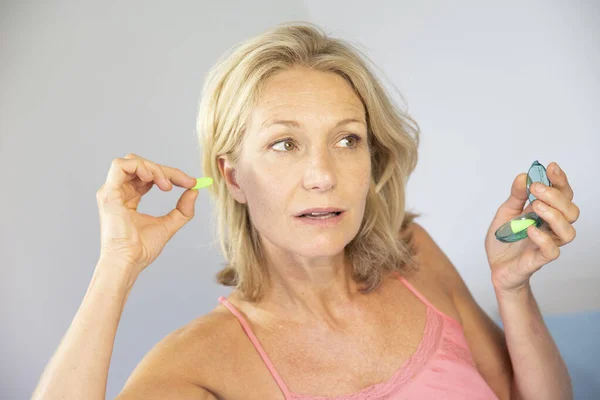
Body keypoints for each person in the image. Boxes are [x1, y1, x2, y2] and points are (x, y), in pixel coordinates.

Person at [32, 22, 579, 400]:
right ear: (231, 176)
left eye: (347, 140)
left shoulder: (415, 256)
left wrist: (512, 289)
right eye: (284, 144)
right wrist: (116, 266)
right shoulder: (199, 361)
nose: (322, 176)